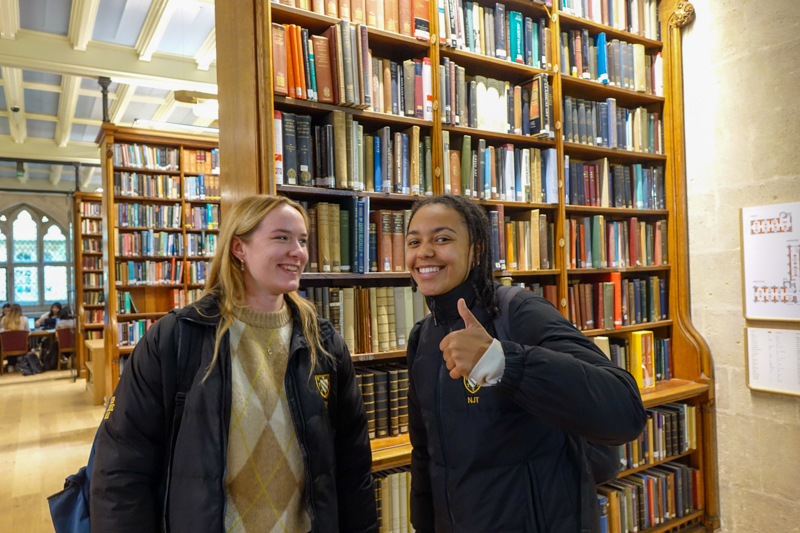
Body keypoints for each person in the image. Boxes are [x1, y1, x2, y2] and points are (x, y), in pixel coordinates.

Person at [90, 195, 377, 533]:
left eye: (302, 240)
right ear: (239, 248)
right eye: (281, 237)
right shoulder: (178, 339)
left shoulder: (324, 343)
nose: (297, 251)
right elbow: (121, 467)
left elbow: (352, 465)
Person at [404, 195, 647, 533]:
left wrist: (504, 361)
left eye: (442, 238)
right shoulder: (422, 339)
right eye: (414, 241)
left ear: (475, 249)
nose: (425, 251)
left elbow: (625, 410)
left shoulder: (518, 311)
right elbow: (425, 454)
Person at [0, 303, 30, 372]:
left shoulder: (4, 319)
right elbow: (28, 332)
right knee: (20, 344)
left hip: (7, 347)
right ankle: (21, 364)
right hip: (21, 346)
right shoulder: (24, 319)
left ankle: (11, 365)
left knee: (10, 345)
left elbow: (1, 332)